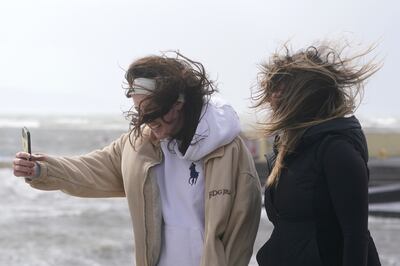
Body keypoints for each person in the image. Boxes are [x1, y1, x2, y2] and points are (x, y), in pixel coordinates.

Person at [13, 53, 262, 266]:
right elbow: (91, 169)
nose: (147, 122)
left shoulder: (227, 149)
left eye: (152, 113)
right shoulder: (139, 146)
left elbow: (243, 228)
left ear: (178, 103)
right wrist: (41, 169)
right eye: (140, 113)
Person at [253, 43, 381, 266]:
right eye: (272, 89)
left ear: (304, 96)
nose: (273, 97)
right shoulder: (288, 147)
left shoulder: (337, 150)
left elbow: (355, 237)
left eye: (281, 89)